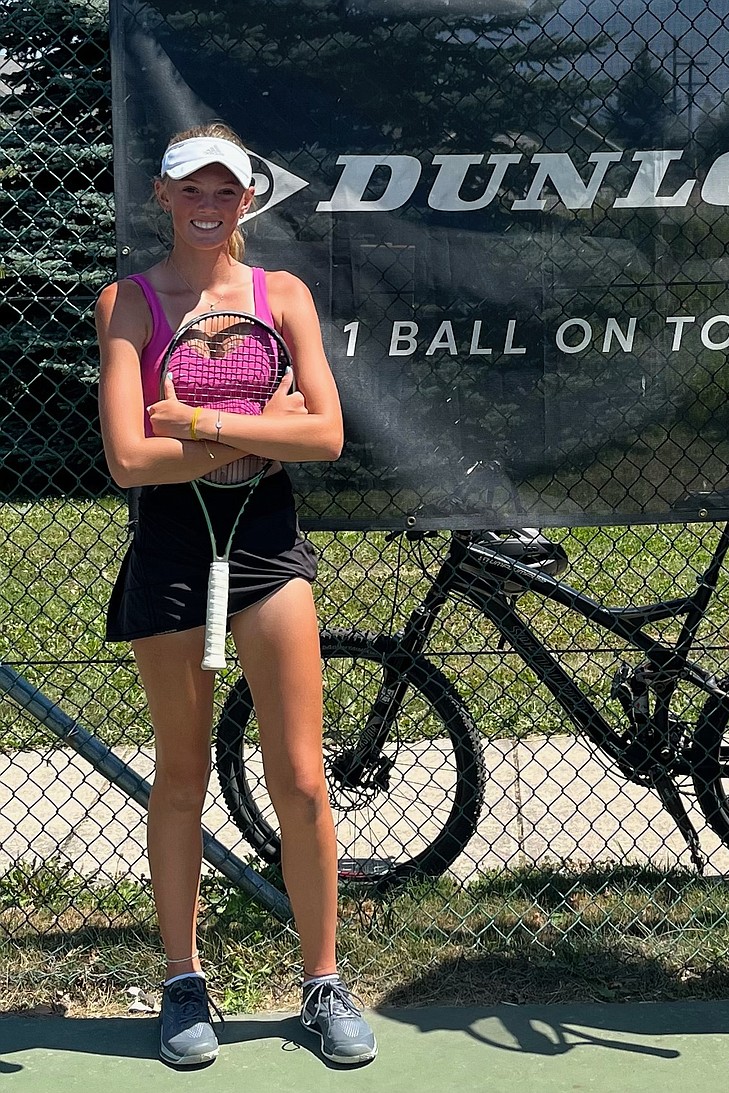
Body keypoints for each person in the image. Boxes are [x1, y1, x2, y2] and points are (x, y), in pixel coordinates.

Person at [95, 123, 377, 1067]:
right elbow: (131, 457)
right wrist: (266, 426)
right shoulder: (128, 305)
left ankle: (323, 981)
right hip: (172, 555)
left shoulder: (282, 295)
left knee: (299, 778)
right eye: (192, 191)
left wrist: (202, 420)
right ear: (165, 199)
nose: (209, 206)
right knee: (180, 778)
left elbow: (329, 433)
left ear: (247, 200)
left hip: (267, 550)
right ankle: (183, 980)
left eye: (226, 191)